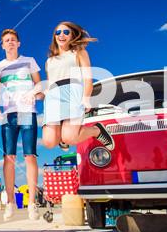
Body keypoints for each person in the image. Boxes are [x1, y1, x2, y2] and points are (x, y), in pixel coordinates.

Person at [0, 28, 43, 221]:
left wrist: (33, 94)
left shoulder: (29, 61)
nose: (10, 42)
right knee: (9, 157)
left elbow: (39, 86)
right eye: (7, 40)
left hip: (27, 112)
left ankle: (32, 203)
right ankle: (10, 202)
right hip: (9, 114)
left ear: (18, 43)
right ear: (3, 45)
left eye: (13, 39)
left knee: (30, 155)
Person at [41, 21, 114, 151]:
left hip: (72, 92)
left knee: (70, 138)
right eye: (58, 32)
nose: (61, 35)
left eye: (66, 32)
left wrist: (86, 98)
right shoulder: (49, 61)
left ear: (72, 35)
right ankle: (62, 136)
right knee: (49, 142)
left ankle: (96, 130)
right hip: (53, 97)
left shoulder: (79, 52)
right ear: (54, 36)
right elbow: (50, 82)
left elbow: (87, 77)